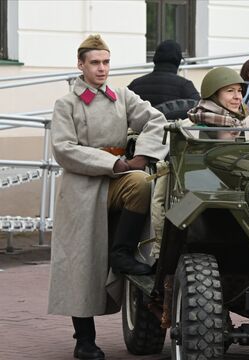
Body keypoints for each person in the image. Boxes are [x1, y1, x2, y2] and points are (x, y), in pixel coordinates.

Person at [48, 35, 168, 360]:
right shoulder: (66, 104)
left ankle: (122, 252)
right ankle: (84, 341)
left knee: (143, 183)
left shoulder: (122, 96)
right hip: (82, 189)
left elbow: (156, 119)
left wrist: (142, 154)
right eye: (95, 63)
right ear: (81, 65)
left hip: (118, 178)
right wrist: (112, 162)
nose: (102, 69)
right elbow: (63, 148)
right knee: (80, 266)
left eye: (106, 62)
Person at [128, 39, 200, 106]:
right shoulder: (185, 86)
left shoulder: (135, 85)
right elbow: (200, 108)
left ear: (155, 59)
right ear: (178, 61)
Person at [186, 66, 248, 139]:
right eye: (230, 91)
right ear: (213, 95)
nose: (238, 97)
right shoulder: (197, 130)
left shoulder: (241, 123)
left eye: (239, 91)